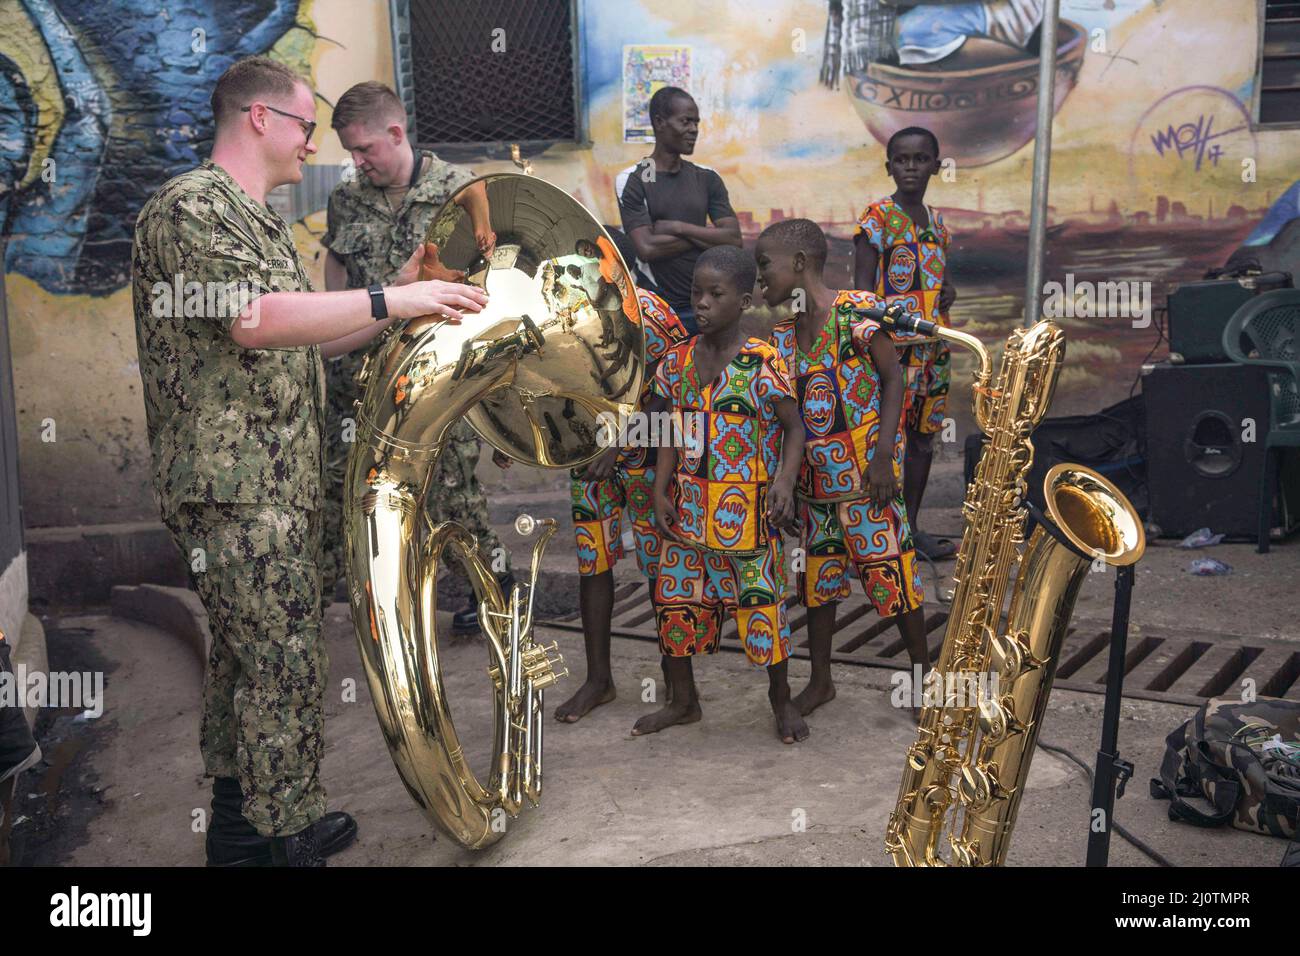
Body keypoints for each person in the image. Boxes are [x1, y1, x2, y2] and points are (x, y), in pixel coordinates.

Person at [131, 57, 486, 865]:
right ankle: (282, 838)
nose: (312, 147)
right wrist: (391, 300)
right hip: (235, 491)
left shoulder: (253, 217)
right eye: (304, 126)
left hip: (272, 486)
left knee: (245, 667)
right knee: (282, 665)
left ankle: (238, 827)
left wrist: (403, 292)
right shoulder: (192, 207)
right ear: (260, 119)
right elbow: (253, 320)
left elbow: (310, 332)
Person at [321, 81, 512, 632]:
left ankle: (493, 595)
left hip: (436, 376)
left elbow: (491, 286)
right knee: (348, 488)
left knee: (451, 497)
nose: (358, 162)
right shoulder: (347, 198)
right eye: (351, 152)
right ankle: (379, 604)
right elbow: (338, 275)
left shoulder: (463, 190)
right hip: (360, 376)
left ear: (396, 133)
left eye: (366, 150)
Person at [760, 219, 928, 717]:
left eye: (764, 265)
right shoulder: (784, 336)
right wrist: (786, 486)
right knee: (817, 587)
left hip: (867, 486)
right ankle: (821, 681)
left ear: (798, 263)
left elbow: (893, 380)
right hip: (816, 495)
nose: (759, 279)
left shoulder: (855, 312)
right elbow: (784, 418)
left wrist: (882, 457)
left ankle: (922, 679)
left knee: (894, 579)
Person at [640, 245, 808, 744]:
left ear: (745, 301)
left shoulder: (761, 363)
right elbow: (671, 429)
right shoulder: (677, 361)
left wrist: (783, 481)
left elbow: (794, 429)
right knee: (674, 602)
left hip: (748, 516)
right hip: (688, 512)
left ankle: (781, 702)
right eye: (697, 293)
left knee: (762, 607)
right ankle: (682, 701)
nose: (704, 304)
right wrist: (659, 487)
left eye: (716, 294)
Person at [555, 288, 691, 723]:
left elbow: (668, 392)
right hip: (587, 454)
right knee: (593, 564)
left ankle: (678, 683)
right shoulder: (562, 310)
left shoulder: (647, 310)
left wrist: (617, 444)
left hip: (650, 458)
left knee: (659, 569)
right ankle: (599, 681)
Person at [854, 125, 958, 561]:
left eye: (920, 159)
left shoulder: (938, 224)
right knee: (886, 439)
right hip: (893, 354)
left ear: (936, 165)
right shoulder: (876, 219)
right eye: (902, 159)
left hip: (933, 351)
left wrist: (946, 289)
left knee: (921, 439)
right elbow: (861, 294)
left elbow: (939, 279)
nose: (911, 167)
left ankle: (911, 528)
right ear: (889, 166)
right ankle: (882, 529)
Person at [616, 87, 742, 334]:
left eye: (696, 122)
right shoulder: (633, 178)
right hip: (657, 306)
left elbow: (734, 240)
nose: (694, 129)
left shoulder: (707, 178)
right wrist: (707, 237)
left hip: (705, 305)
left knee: (706, 372)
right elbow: (647, 249)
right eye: (685, 121)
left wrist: (676, 227)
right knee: (662, 373)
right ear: (660, 123)